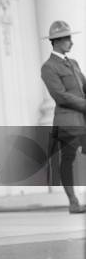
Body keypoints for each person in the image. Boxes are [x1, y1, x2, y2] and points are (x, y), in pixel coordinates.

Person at [41, 20, 86, 214]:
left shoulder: (73, 63)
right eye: (68, 39)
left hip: (83, 118)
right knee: (67, 160)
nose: (71, 43)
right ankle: (73, 202)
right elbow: (60, 95)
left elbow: (83, 86)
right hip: (67, 121)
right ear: (57, 41)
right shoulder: (48, 67)